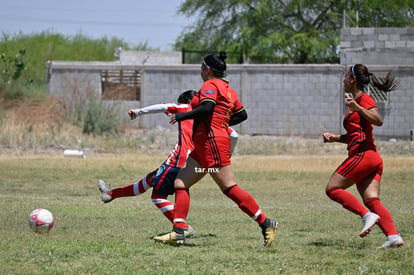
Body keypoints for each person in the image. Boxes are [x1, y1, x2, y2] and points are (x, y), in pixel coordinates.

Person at [154, 51, 278, 248]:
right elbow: (241, 114)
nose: (201, 71)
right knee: (180, 183)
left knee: (229, 188)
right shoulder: (229, 89)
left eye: (201, 67)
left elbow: (207, 109)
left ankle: (266, 223)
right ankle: (178, 232)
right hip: (204, 144)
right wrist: (221, 123)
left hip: (211, 143)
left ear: (207, 69)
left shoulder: (210, 85)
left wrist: (182, 116)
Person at [98, 90, 239, 239]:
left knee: (158, 197)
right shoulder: (210, 117)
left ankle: (182, 227)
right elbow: (234, 135)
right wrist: (228, 154)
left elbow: (162, 107)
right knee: (149, 180)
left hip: (178, 161)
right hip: (195, 163)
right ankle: (111, 194)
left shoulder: (186, 108)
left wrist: (138, 112)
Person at [323, 64, 403, 248]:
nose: (343, 80)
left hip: (363, 155)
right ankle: (393, 236)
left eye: (345, 77)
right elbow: (355, 134)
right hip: (371, 157)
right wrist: (336, 138)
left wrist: (358, 107)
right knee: (372, 200)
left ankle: (366, 215)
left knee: (332, 189)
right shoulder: (355, 102)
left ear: (352, 79)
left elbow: (378, 120)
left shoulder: (363, 99)